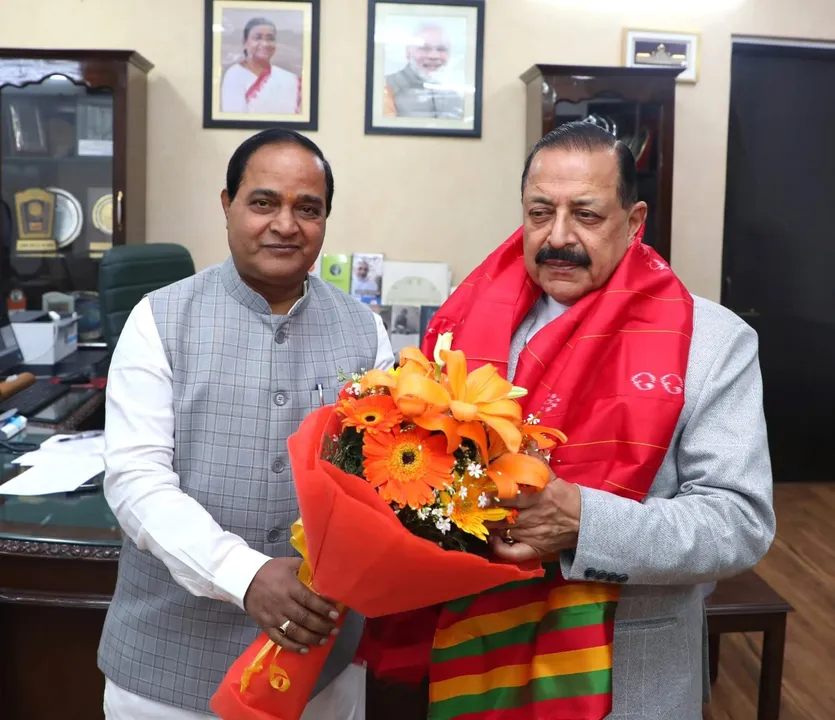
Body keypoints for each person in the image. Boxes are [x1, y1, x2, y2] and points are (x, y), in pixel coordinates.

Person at [406, 121, 776, 719]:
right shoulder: (460, 329)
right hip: (475, 655)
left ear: (633, 223)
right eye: (539, 212)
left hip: (626, 677)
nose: (558, 237)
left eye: (586, 215)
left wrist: (583, 522)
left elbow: (739, 523)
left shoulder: (711, 342)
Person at [98, 129, 394, 719]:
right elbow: (135, 481)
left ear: (325, 220)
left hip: (320, 668)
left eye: (307, 208)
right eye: (264, 202)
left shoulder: (367, 332)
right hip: (169, 673)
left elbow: (382, 484)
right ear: (227, 203)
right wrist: (247, 574)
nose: (286, 224)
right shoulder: (159, 319)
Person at [383, 23, 464, 120]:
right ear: (408, 52)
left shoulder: (457, 97)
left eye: (441, 49)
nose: (434, 56)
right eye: (425, 48)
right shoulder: (385, 87)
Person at [221, 17, 300, 115]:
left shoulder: (289, 79)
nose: (265, 44)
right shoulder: (234, 74)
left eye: (270, 38)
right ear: (245, 42)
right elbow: (235, 120)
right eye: (257, 38)